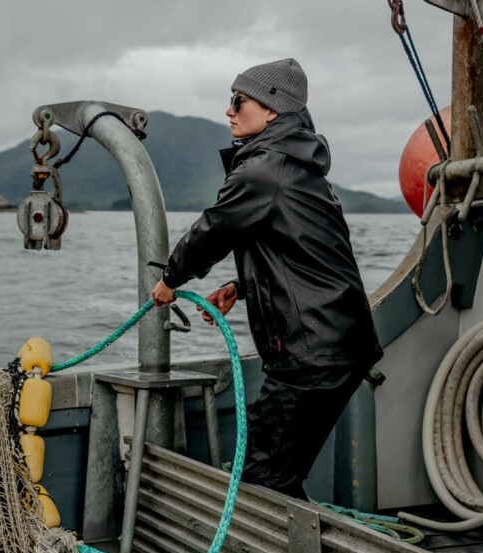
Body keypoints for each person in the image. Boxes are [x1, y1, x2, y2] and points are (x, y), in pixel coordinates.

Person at [151, 57, 382, 500]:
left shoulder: (264, 168)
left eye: (238, 101)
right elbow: (302, 252)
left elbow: (213, 230)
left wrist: (170, 280)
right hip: (332, 345)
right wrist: (242, 287)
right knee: (275, 470)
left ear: (272, 110)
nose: (229, 111)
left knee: (265, 478)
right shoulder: (294, 165)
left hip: (312, 353)